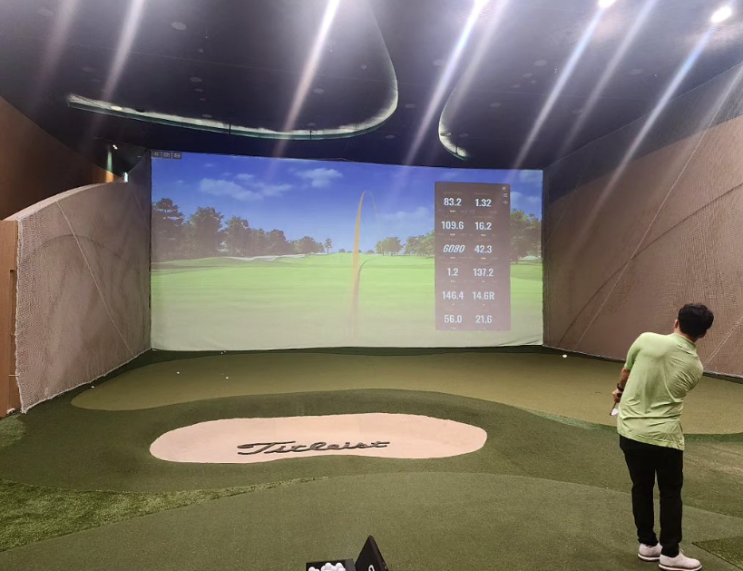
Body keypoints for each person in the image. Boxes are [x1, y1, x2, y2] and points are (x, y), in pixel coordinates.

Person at [613, 304, 714, 571]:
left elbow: (626, 373)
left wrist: (620, 390)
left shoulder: (646, 339)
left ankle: (647, 544)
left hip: (630, 431)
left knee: (641, 487)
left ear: (676, 322)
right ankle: (670, 553)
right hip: (664, 438)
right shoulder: (696, 367)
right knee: (670, 493)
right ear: (703, 334)